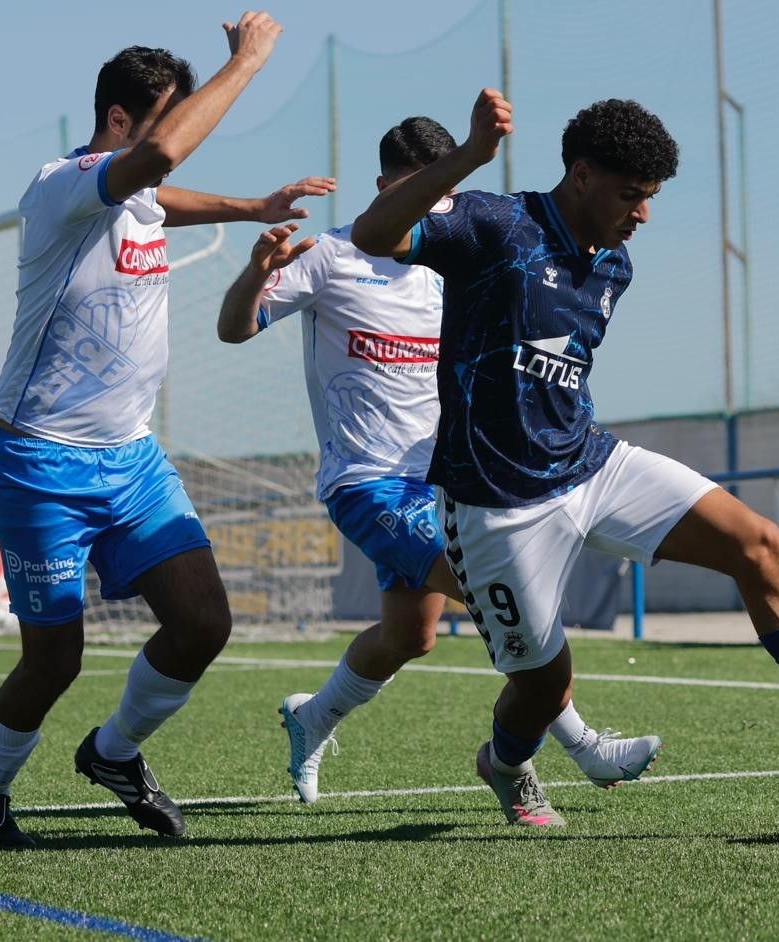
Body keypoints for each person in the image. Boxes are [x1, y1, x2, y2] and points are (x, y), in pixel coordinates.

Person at [351, 90, 779, 827]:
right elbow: (375, 233)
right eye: (631, 195)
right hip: (495, 506)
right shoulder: (494, 223)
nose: (642, 214)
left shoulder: (614, 266)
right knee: (544, 690)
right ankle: (505, 764)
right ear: (580, 175)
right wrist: (469, 156)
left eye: (651, 197)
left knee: (758, 544)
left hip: (592, 465)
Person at [0, 22, 337, 847]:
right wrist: (247, 63)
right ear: (121, 122)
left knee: (204, 623)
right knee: (54, 660)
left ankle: (115, 754)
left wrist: (251, 209)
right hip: (38, 461)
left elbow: (160, 195)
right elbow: (159, 166)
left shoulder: (135, 195)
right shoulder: (61, 184)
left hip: (132, 459)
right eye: (169, 121)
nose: (178, 141)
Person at [217, 117, 657, 805]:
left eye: (447, 188)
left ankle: (312, 718)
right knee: (495, 597)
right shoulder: (334, 258)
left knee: (409, 636)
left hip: (448, 480)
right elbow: (234, 328)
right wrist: (253, 276)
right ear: (387, 188)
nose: (436, 202)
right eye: (420, 188)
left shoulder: (456, 261)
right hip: (367, 482)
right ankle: (576, 747)